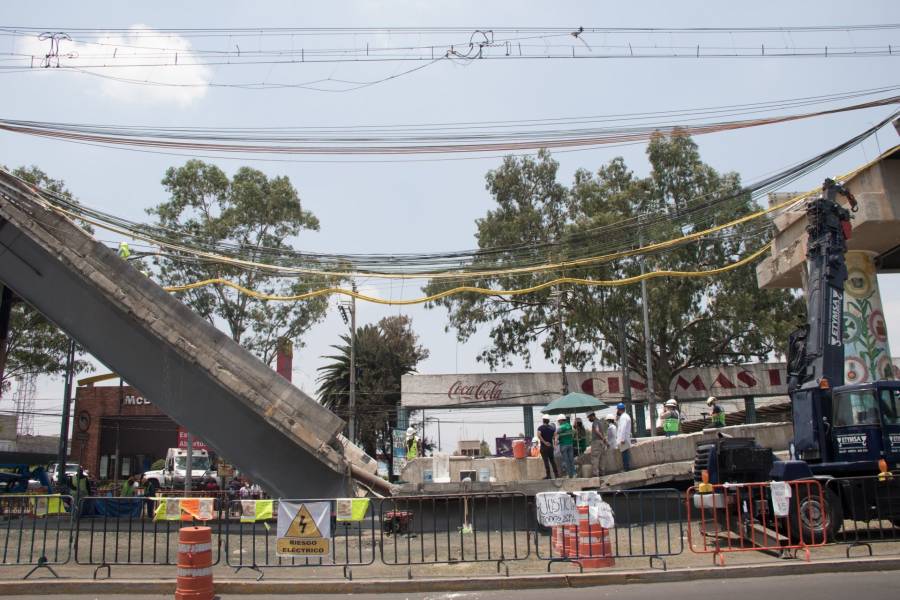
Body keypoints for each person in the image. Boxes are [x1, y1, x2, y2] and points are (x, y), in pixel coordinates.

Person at [587, 412, 609, 477]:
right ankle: (602, 474)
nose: (589, 419)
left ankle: (596, 475)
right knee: (602, 458)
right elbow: (602, 432)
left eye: (589, 417)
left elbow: (597, 430)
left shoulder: (595, 422)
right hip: (601, 443)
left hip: (596, 442)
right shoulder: (600, 422)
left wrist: (603, 439)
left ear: (592, 416)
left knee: (595, 458)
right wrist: (605, 441)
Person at [537, 415, 559, 479]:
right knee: (552, 461)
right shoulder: (552, 428)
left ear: (543, 420)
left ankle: (548, 475)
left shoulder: (540, 428)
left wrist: (544, 442)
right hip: (550, 447)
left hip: (544, 447)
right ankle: (556, 475)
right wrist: (555, 444)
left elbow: (538, 435)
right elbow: (556, 435)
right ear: (548, 421)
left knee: (546, 461)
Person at [615, 403, 633, 472]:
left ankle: (626, 468)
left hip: (624, 439)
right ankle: (626, 467)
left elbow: (623, 428)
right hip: (625, 438)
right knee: (625, 453)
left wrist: (622, 439)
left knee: (624, 454)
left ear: (619, 410)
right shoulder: (624, 416)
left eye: (617, 410)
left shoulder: (623, 417)